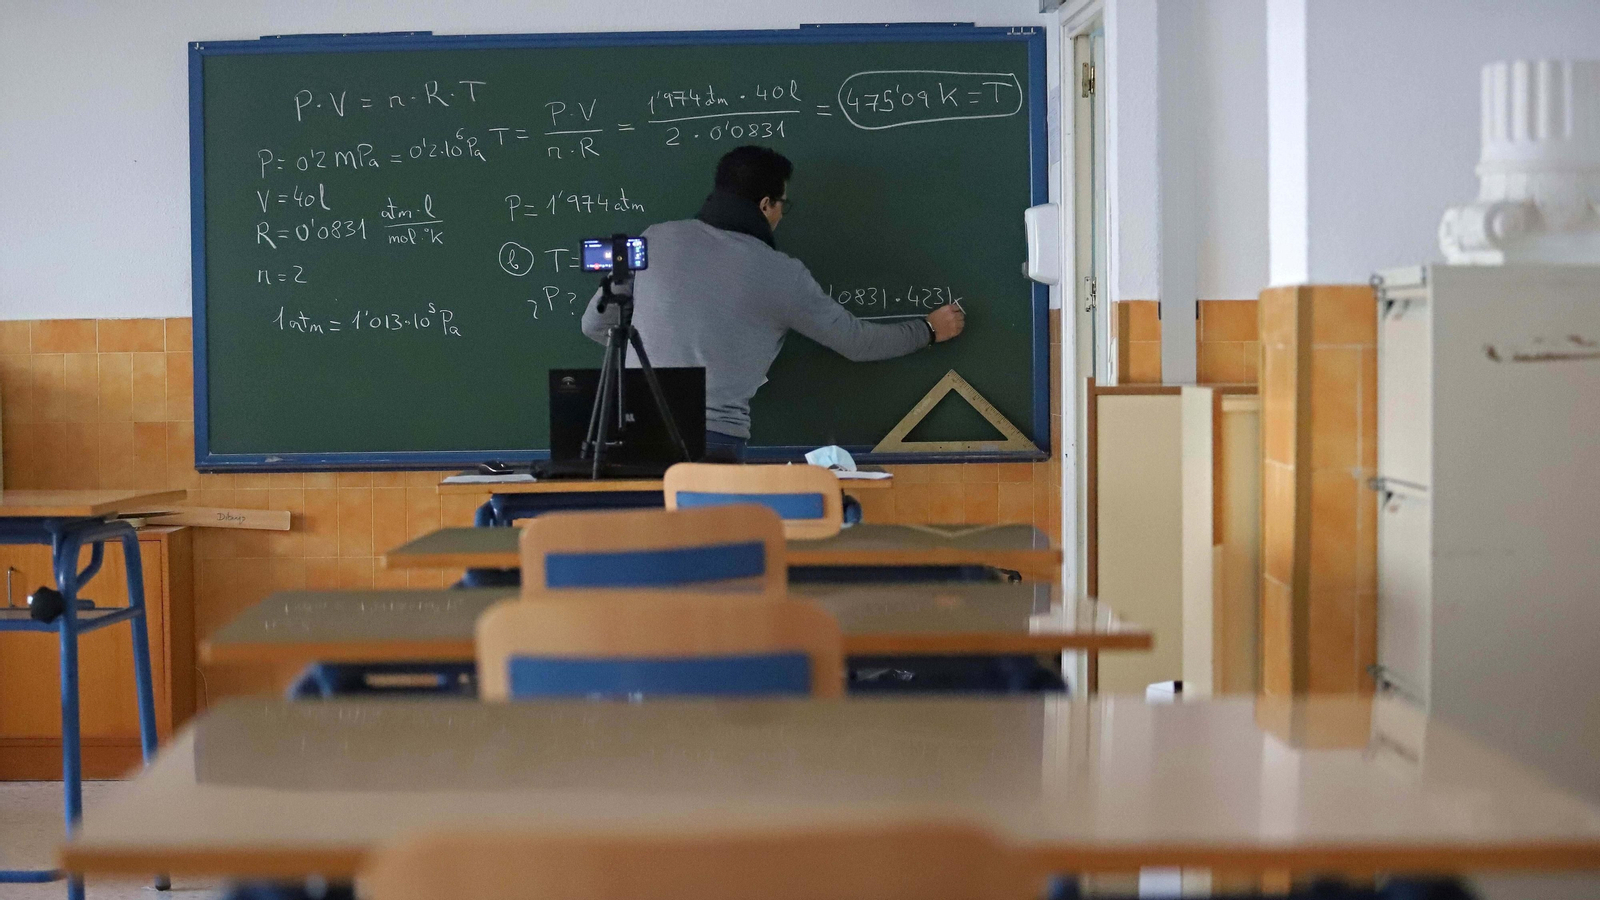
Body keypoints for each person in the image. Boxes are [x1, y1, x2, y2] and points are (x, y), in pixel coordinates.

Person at [582, 145, 965, 463]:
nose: (782, 213)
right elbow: (857, 343)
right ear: (765, 205)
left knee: (641, 545)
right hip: (711, 441)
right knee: (708, 550)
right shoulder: (781, 273)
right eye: (783, 204)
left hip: (628, 430)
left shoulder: (654, 240)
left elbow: (595, 325)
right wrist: (929, 330)